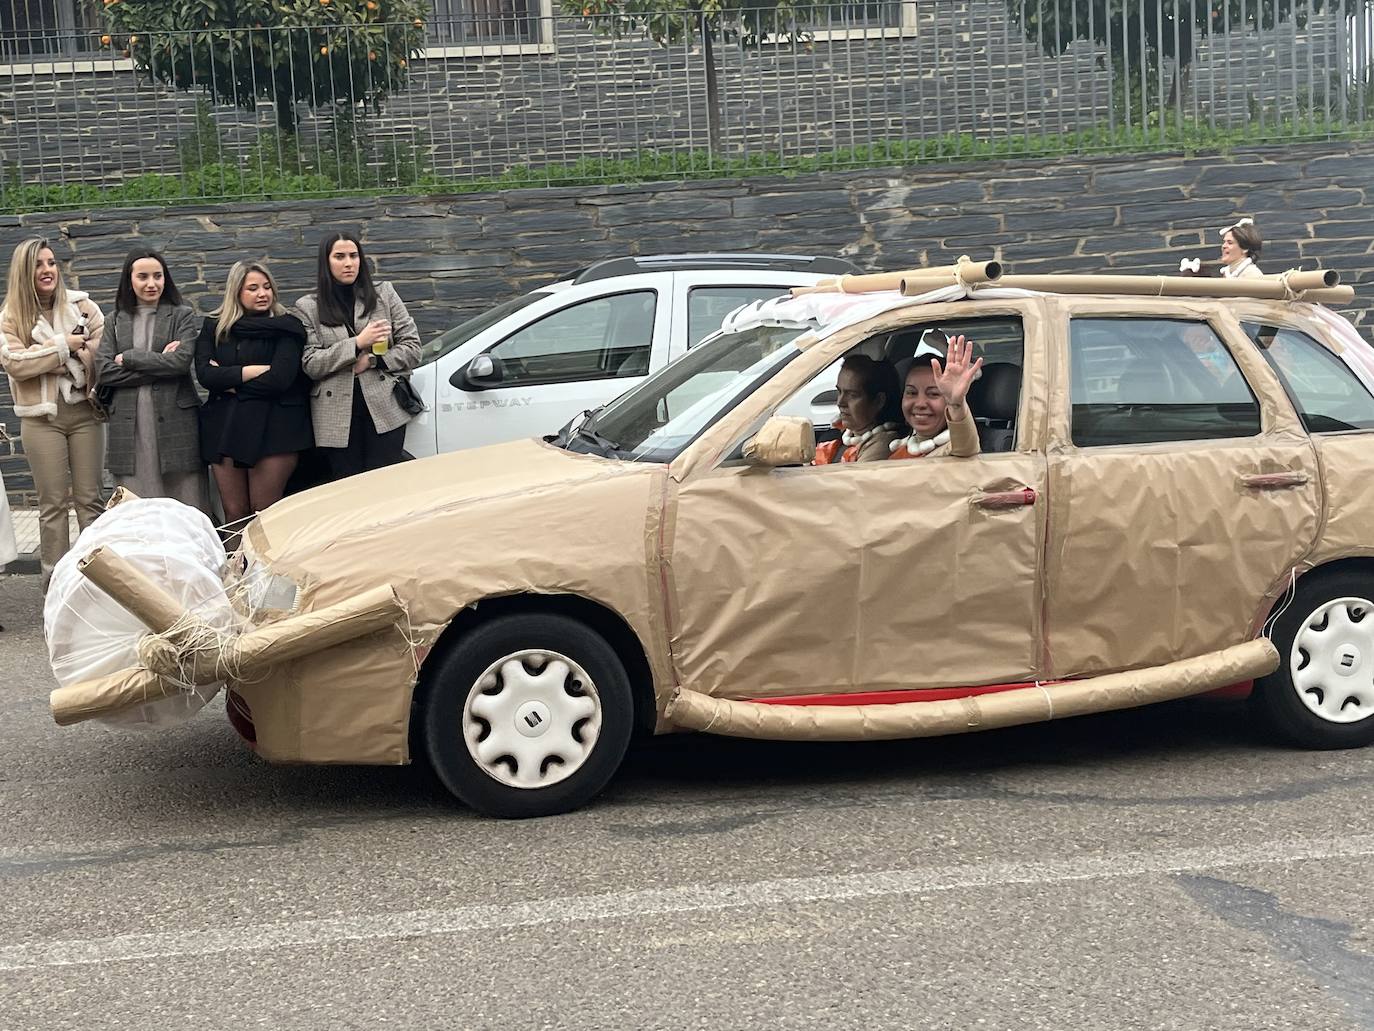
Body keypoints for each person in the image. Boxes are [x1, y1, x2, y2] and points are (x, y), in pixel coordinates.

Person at [0, 237, 105, 589]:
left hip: (84, 413)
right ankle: (56, 586)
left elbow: (99, 353)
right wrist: (65, 347)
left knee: (91, 500)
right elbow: (15, 364)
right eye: (38, 265)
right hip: (40, 419)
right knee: (53, 505)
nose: (47, 270)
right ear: (24, 272)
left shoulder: (84, 306)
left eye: (51, 263)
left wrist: (51, 357)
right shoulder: (11, 316)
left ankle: (101, 582)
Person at [195, 260, 313, 528]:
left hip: (275, 429)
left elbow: (280, 380)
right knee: (234, 512)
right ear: (236, 292)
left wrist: (230, 381)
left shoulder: (288, 327)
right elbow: (205, 375)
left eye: (267, 286)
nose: (262, 293)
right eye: (253, 288)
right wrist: (252, 371)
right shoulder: (214, 328)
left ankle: (264, 570)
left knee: (264, 513)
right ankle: (236, 570)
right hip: (225, 428)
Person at [295, 233, 423, 479]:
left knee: (386, 484)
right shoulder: (308, 306)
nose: (348, 263)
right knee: (347, 489)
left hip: (384, 408)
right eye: (340, 257)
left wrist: (373, 360)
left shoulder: (384, 293)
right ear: (326, 262)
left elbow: (413, 347)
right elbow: (311, 363)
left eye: (354, 256)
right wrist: (357, 344)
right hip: (335, 415)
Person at [96, 249, 208, 512]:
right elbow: (105, 371)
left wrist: (131, 357)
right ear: (129, 280)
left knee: (186, 501)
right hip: (129, 425)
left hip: (176, 423)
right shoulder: (114, 321)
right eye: (143, 276)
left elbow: (180, 362)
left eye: (158, 276)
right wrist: (160, 362)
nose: (152, 283)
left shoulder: (181, 315)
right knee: (136, 505)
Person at [890, 333, 983, 459]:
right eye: (911, 393)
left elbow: (967, 447)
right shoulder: (899, 448)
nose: (920, 403)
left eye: (933, 394)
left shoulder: (954, 450)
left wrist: (956, 404)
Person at [812, 355, 903, 464]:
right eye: (839, 392)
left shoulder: (883, 444)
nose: (840, 403)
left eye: (852, 395)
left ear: (878, 401)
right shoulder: (840, 435)